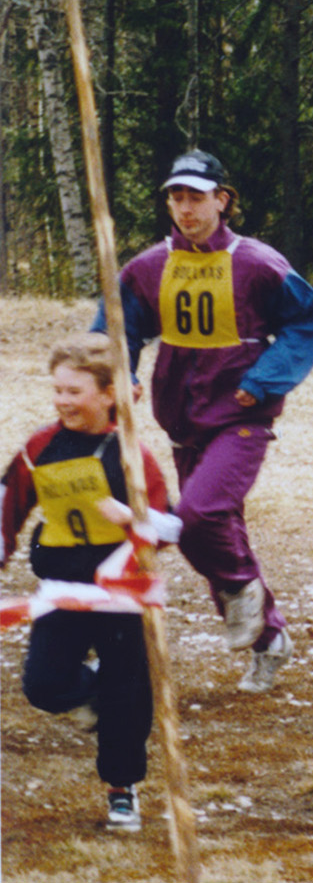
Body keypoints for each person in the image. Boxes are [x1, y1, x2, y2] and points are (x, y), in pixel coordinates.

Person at [102, 149, 313, 694]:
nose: (185, 208)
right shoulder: (149, 268)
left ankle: (243, 593)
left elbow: (305, 323)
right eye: (176, 198)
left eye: (196, 197)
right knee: (213, 532)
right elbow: (115, 327)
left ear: (222, 201)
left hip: (243, 416)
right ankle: (269, 639)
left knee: (200, 514)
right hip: (184, 419)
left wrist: (263, 380)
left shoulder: (258, 264)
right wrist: (122, 372)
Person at [2, 334, 179, 832]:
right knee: (44, 684)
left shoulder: (132, 456)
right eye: (57, 390)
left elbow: (170, 526)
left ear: (108, 394)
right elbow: (9, 500)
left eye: (74, 392)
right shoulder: (42, 445)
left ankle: (122, 788)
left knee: (130, 692)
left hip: (123, 596)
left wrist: (133, 517)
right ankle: (95, 695)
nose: (62, 401)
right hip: (63, 589)